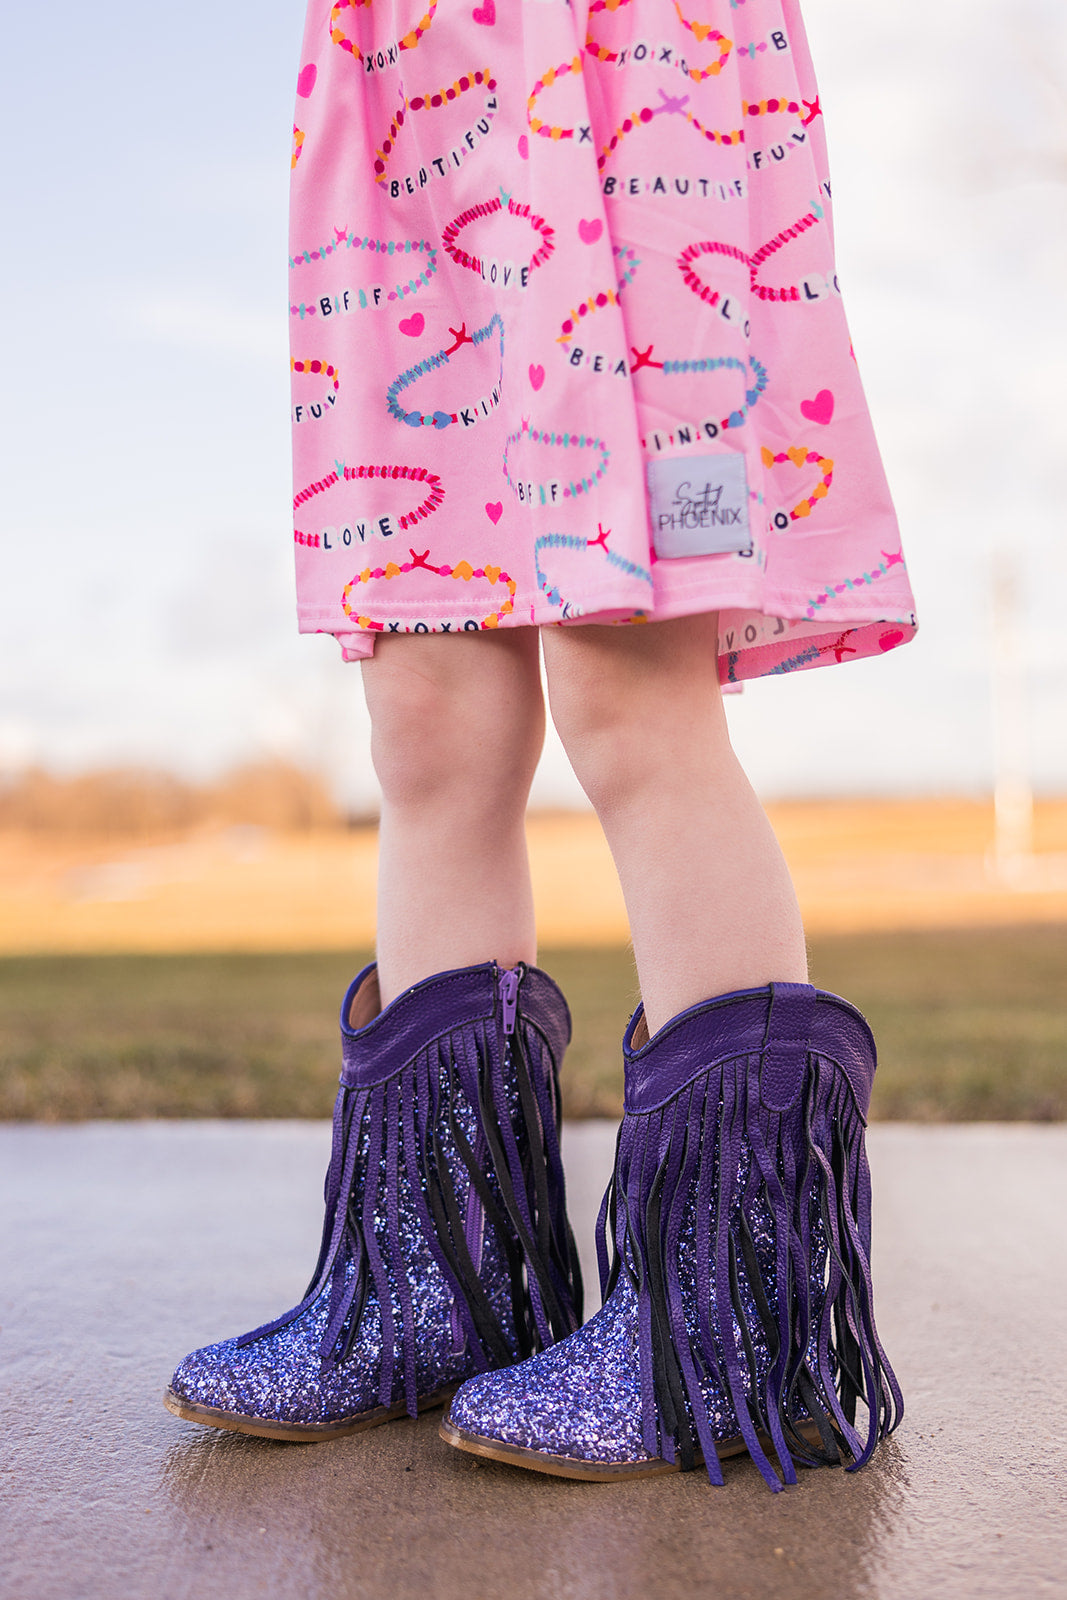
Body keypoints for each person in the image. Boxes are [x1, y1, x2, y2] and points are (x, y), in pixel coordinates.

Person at [165, 0, 915, 1490]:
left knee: (628, 686)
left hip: (622, 62)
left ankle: (727, 1336)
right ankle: (439, 1294)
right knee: (429, 713)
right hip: (411, 81)